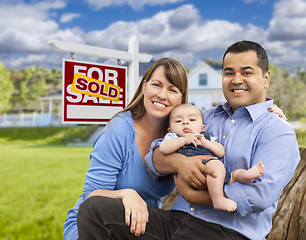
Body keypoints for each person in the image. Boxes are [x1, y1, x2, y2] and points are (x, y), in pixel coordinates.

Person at [77, 40, 300, 240]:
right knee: (96, 210)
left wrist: (193, 195)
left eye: (246, 72)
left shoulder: (277, 131)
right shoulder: (205, 117)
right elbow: (154, 158)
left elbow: (258, 197)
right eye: (229, 72)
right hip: (174, 222)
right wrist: (179, 163)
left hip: (226, 233)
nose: (236, 80)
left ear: (266, 78)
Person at [63, 57, 197, 240]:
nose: (162, 95)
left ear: (181, 98)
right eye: (156, 85)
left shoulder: (178, 137)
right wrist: (126, 194)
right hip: (96, 224)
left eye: (172, 90)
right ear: (144, 87)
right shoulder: (120, 128)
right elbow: (91, 195)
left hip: (141, 225)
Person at [160, 103, 265, 212]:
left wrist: (206, 143)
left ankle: (246, 176)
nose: (185, 123)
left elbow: (221, 152)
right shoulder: (173, 137)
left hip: (217, 175)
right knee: (216, 165)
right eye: (178, 121)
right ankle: (218, 199)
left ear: (202, 128)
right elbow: (163, 148)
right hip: (201, 171)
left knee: (235, 174)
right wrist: (184, 140)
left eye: (192, 120)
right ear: (170, 130)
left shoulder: (204, 137)